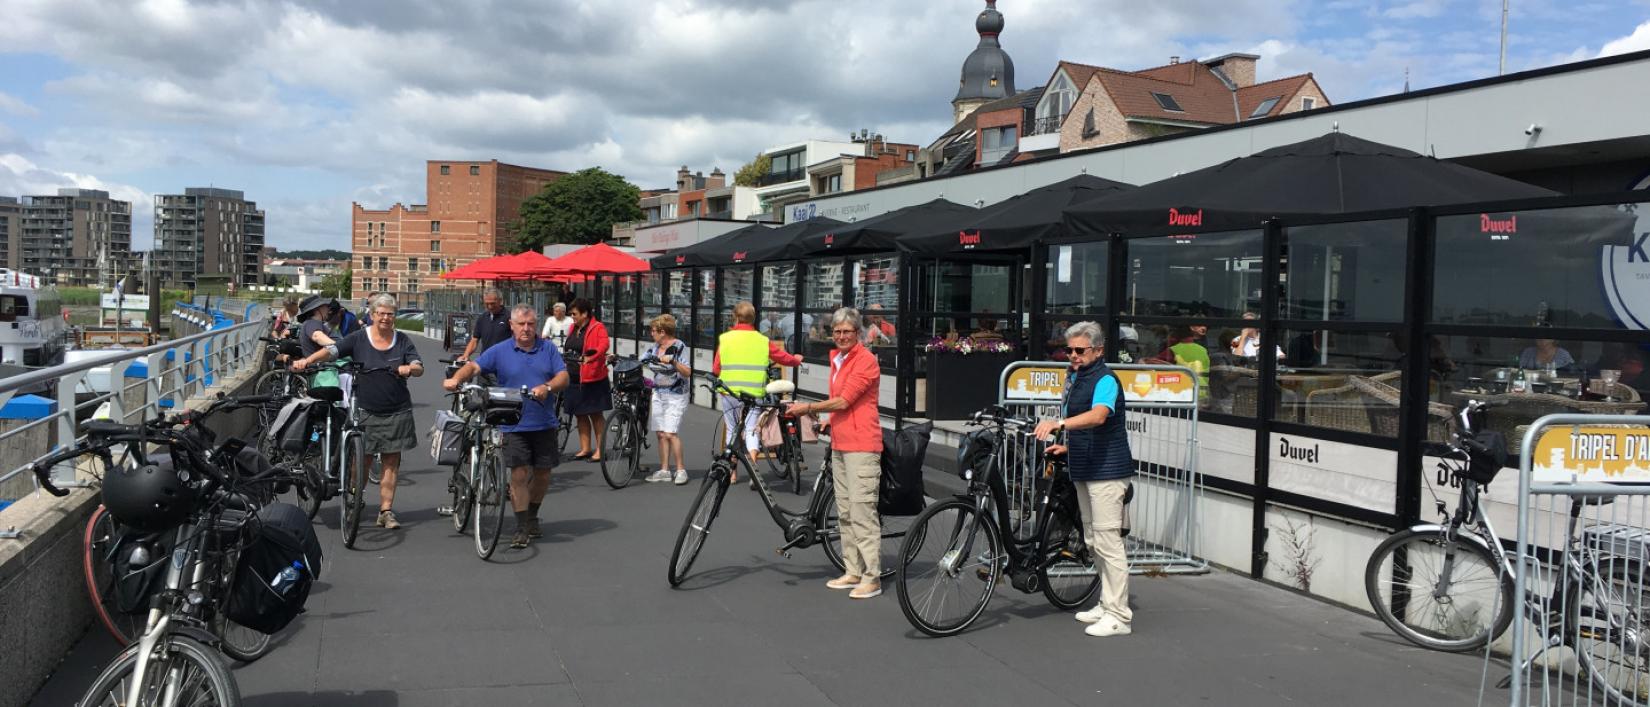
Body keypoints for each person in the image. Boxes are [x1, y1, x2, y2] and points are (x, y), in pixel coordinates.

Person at [1033, 321, 1136, 637]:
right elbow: (1089, 426)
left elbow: (1099, 416)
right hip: (1086, 467)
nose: (1073, 355)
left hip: (1107, 471)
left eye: (1080, 350)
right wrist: (1068, 446)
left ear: (1098, 350)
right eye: (1069, 350)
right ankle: (1107, 603)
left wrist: (1059, 424)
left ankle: (1119, 615)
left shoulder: (1105, 379)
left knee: (1107, 541)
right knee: (1092, 540)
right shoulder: (1077, 377)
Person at [293, 294, 424, 530]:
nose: (385, 318)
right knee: (361, 461)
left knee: (391, 462)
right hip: (365, 408)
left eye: (390, 314)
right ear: (372, 315)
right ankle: (354, 497)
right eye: (381, 313)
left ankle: (385, 511)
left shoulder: (402, 340)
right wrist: (308, 361)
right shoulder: (359, 338)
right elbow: (333, 350)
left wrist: (410, 368)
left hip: (397, 408)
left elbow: (418, 366)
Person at [444, 303, 569, 548]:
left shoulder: (547, 349)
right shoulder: (500, 350)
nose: (526, 329)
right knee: (519, 474)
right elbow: (474, 366)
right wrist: (456, 379)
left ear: (536, 325)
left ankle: (532, 515)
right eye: (521, 324)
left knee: (543, 474)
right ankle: (521, 527)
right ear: (511, 325)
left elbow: (563, 376)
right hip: (512, 422)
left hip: (543, 421)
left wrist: (547, 387)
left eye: (530, 324)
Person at [785, 307, 882, 600]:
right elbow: (843, 404)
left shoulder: (865, 360)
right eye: (837, 331)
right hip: (841, 442)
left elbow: (844, 401)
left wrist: (808, 408)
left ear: (858, 333)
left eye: (847, 331)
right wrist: (829, 420)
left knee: (862, 512)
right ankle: (853, 570)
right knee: (846, 513)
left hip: (862, 445)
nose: (841, 336)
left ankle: (872, 577)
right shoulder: (838, 359)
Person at [714, 301, 801, 481]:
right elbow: (783, 358)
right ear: (754, 318)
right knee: (752, 430)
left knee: (732, 430)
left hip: (730, 393)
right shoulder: (763, 341)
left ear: (735, 317)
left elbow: (716, 368)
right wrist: (796, 360)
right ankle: (753, 470)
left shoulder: (725, 339)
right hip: (754, 393)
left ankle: (732, 473)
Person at [642, 314, 691, 485]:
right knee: (661, 434)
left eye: (653, 331)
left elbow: (687, 372)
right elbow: (642, 359)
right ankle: (664, 470)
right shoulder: (655, 347)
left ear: (662, 332)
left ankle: (681, 470)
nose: (651, 334)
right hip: (658, 393)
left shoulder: (679, 346)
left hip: (676, 394)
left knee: (670, 433)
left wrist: (674, 363)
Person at [564, 298, 611, 461]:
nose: (572, 317)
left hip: (592, 378)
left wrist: (591, 357)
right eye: (571, 314)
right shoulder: (573, 327)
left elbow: (604, 345)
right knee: (579, 414)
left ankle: (600, 450)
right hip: (573, 377)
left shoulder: (597, 327)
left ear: (585, 314)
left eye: (574, 314)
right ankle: (585, 448)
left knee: (595, 414)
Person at [459, 288, 511, 363]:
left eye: (493, 303)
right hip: (485, 361)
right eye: (486, 304)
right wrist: (465, 355)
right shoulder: (482, 318)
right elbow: (474, 340)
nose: (490, 306)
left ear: (500, 301)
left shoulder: (509, 317)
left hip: (503, 361)